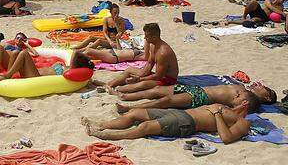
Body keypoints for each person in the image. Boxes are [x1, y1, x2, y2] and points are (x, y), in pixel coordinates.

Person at [82, 92, 259, 144]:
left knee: (145, 127)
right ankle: (102, 124)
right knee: (134, 114)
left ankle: (107, 135)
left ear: (244, 104)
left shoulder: (243, 122)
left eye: (238, 97)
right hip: (180, 113)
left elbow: (226, 138)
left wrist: (217, 114)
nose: (234, 97)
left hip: (187, 123)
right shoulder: (226, 106)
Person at [103, 23, 178, 94]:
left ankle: (117, 90)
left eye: (147, 36)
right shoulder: (153, 46)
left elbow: (158, 76)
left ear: (154, 37)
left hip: (167, 80)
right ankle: (109, 85)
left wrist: (139, 79)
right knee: (130, 69)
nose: (145, 38)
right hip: (160, 76)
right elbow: (149, 63)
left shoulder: (163, 53)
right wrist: (141, 74)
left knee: (142, 84)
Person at [115, 81, 277, 112]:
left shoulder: (249, 102)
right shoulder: (243, 88)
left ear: (267, 98)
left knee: (166, 101)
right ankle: (126, 96)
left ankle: (129, 108)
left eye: (265, 89)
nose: (261, 85)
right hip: (197, 88)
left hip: (202, 97)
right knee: (157, 89)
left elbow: (235, 110)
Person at [0, 48, 94, 81]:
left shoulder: (71, 70)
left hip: (35, 76)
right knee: (16, 52)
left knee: (24, 53)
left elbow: (75, 52)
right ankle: (8, 72)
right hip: (34, 72)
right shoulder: (66, 66)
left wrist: (85, 55)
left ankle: (8, 75)